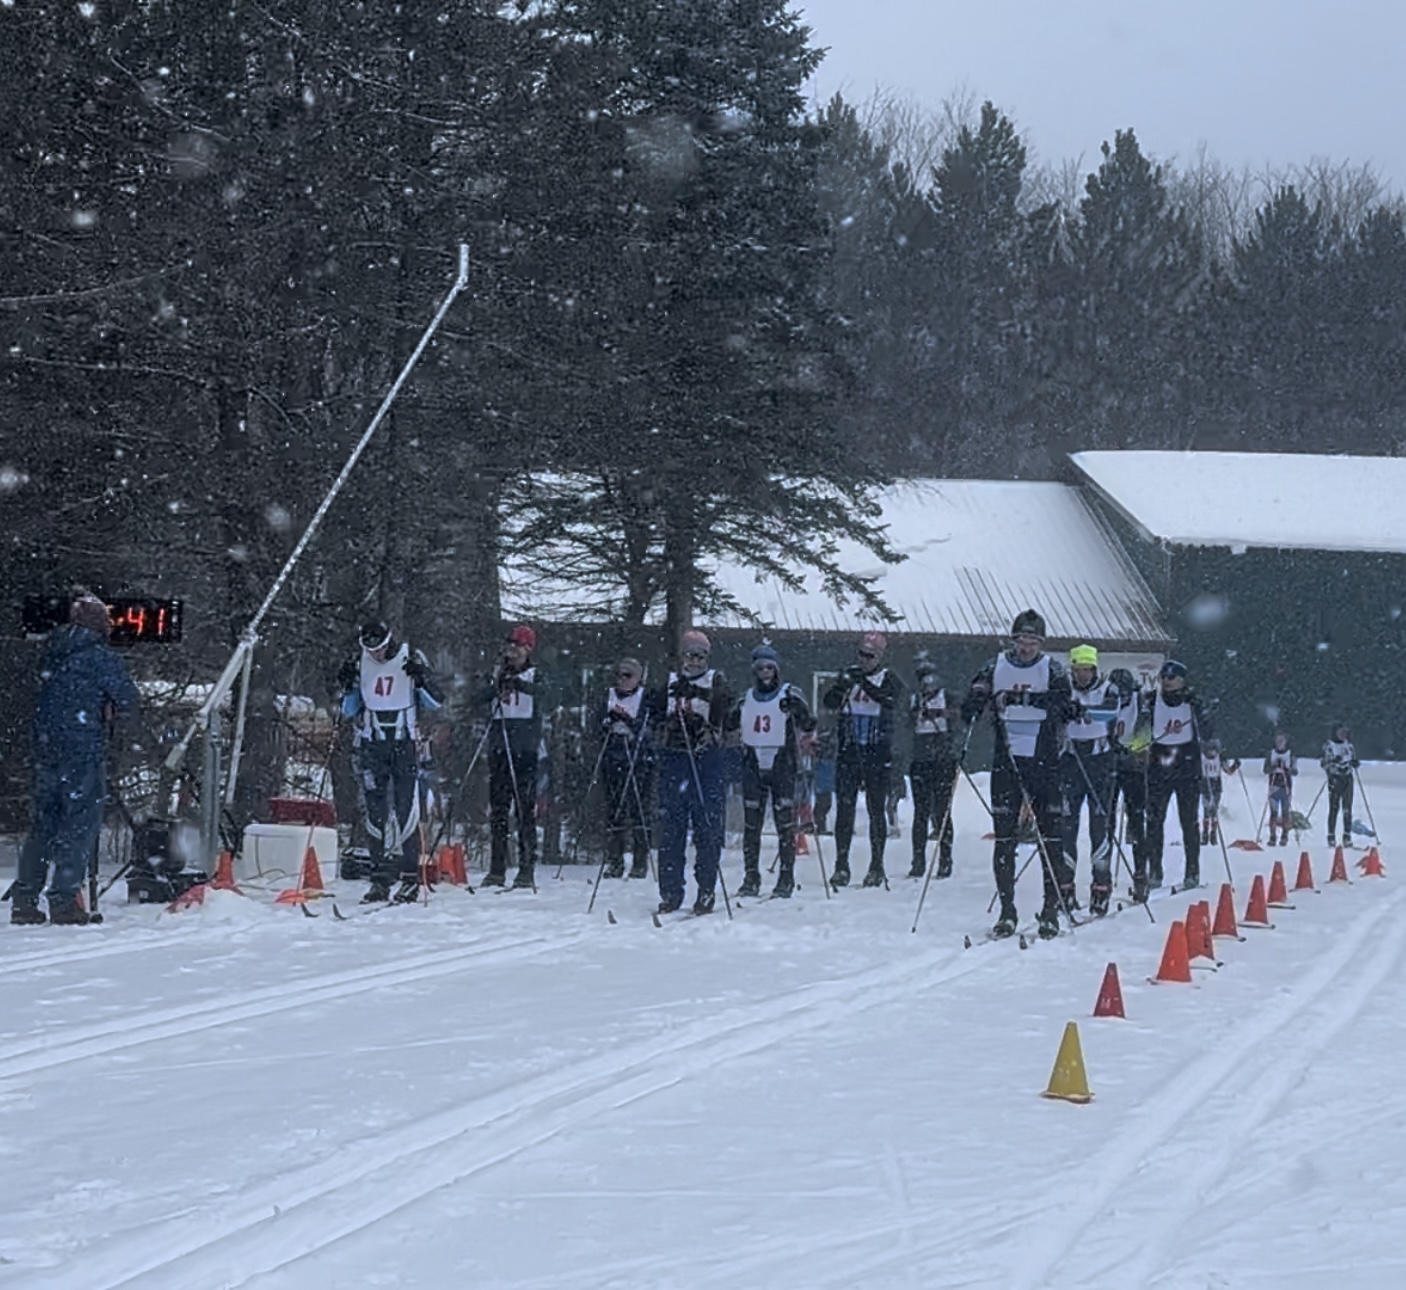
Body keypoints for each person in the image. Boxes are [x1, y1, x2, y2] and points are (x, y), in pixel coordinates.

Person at [11, 592, 140, 926]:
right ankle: (64, 899)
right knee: (79, 824)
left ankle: (25, 899)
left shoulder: (51, 653)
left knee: (43, 826)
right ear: (100, 626)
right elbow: (128, 698)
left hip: (45, 748)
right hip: (81, 748)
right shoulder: (99, 658)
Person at [962, 609, 1075, 939]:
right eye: (1021, 640)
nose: (1026, 647)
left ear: (1042, 643)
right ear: (1013, 640)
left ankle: (1050, 911)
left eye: (1033, 641)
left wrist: (1024, 698)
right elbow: (970, 706)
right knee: (1005, 838)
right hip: (1007, 761)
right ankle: (1007, 911)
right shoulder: (993, 665)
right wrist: (978, 698)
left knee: (1051, 839)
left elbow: (1064, 705)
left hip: (1044, 761)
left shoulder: (1052, 668)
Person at [340, 620, 444, 902]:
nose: (376, 654)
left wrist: (422, 679)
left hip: (403, 743)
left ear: (389, 641)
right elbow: (349, 709)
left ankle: (410, 877)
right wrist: (347, 684)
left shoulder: (410, 656)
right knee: (375, 812)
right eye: (370, 649)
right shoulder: (361, 661)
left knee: (405, 809)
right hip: (373, 744)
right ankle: (379, 879)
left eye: (380, 648)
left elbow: (438, 701)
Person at [647, 629, 731, 915]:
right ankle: (670, 891)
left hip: (704, 760)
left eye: (699, 656)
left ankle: (706, 889)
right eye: (689, 655)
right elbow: (653, 712)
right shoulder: (670, 681)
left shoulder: (715, 679)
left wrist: (697, 696)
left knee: (706, 828)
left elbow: (723, 707)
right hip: (674, 759)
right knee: (671, 829)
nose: (693, 661)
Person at [726, 643, 816, 899]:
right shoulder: (747, 697)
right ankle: (750, 877)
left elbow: (809, 723)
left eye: (769, 667)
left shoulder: (790, 693)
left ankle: (785, 878)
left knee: (784, 825)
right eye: (760, 668)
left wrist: (797, 710)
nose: (765, 672)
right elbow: (730, 722)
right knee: (752, 826)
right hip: (753, 763)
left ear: (776, 670)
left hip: (781, 763)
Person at [822, 631, 902, 889]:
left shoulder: (888, 677)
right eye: (861, 654)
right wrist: (842, 685)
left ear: (879, 656)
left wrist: (863, 683)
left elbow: (889, 700)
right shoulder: (849, 674)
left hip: (876, 752)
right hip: (849, 750)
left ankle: (876, 866)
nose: (864, 660)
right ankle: (841, 865)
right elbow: (829, 702)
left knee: (875, 809)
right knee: (844, 809)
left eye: (870, 656)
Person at [475, 624, 542, 889]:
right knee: (499, 811)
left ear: (528, 649)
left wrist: (520, 685)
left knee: (525, 810)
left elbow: (548, 697)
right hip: (499, 747)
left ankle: (526, 869)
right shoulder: (496, 671)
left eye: (518, 646)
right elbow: (477, 698)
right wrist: (496, 687)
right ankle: (497, 869)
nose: (512, 651)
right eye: (510, 645)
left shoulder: (536, 674)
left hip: (525, 749)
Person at [1142, 659, 1214, 889]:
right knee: (1154, 820)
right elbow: (1141, 729)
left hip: (1187, 763)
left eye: (1172, 678)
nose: (1167, 682)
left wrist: (1201, 709)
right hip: (1159, 762)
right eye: (1164, 677)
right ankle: (1154, 870)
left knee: (1189, 821)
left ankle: (1192, 871)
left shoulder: (1192, 702)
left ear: (1182, 680)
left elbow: (1208, 732)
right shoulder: (1152, 700)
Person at [1060, 644, 1121, 916]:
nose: (1082, 675)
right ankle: (1064, 886)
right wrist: (1065, 709)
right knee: (1067, 825)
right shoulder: (1063, 687)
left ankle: (1101, 885)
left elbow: (1108, 713)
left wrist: (1081, 711)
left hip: (1099, 762)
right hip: (1070, 760)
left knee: (1100, 826)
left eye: (1086, 670)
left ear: (1094, 669)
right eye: (1077, 670)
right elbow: (1055, 711)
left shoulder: (1109, 688)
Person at [596, 657, 653, 880]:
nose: (622, 680)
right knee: (614, 810)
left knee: (639, 809)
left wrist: (630, 723)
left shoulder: (645, 698)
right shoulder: (608, 696)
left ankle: (640, 861)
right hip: (613, 756)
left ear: (638, 679)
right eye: (619, 675)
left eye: (627, 676)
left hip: (638, 759)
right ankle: (615, 860)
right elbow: (596, 724)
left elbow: (650, 730)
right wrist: (607, 723)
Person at [907, 661, 960, 880]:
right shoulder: (914, 699)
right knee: (921, 812)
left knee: (942, 811)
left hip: (943, 758)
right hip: (921, 758)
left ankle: (945, 859)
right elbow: (907, 723)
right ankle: (918, 860)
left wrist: (942, 713)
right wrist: (917, 711)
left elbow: (959, 718)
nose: (927, 684)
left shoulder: (948, 696)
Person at [1106, 667, 1150, 902]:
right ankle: (1102, 877)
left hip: (1133, 768)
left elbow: (1144, 732)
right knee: (1106, 821)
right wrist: (1112, 747)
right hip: (1110, 764)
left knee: (1136, 821)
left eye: (1124, 693)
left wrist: (1134, 751)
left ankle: (1141, 874)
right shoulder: (1106, 698)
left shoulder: (1139, 701)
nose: (1121, 697)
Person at [1320, 723, 1358, 848]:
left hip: (1347, 778)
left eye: (1344, 732)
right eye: (1340, 732)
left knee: (1347, 808)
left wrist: (1354, 763)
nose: (1343, 734)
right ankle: (1331, 836)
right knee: (1334, 808)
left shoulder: (1349, 746)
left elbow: (1353, 759)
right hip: (1335, 779)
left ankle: (1347, 836)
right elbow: (1324, 763)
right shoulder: (1329, 746)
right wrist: (1332, 762)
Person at [1262, 729, 1297, 846]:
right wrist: (1273, 768)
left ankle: (1285, 835)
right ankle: (1273, 836)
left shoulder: (1290, 754)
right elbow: (1265, 770)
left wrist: (1287, 769)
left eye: (1282, 741)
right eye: (1278, 740)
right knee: (1274, 812)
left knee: (1285, 812)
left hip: (1286, 787)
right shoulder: (1271, 754)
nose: (1280, 743)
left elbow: (1295, 771)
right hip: (1274, 786)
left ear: (1286, 742)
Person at [1200, 737, 1225, 846]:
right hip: (1206, 784)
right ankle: (1205, 834)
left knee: (1214, 811)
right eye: (1210, 750)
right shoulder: (1202, 758)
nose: (1212, 753)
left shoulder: (1220, 758)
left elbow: (1228, 770)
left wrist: (1235, 766)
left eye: (1214, 750)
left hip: (1216, 785)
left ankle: (1213, 834)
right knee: (1206, 811)